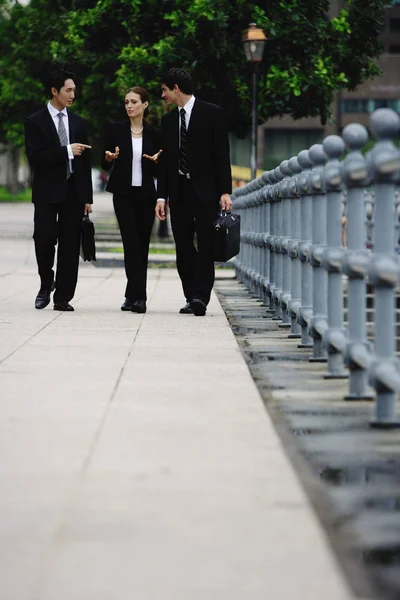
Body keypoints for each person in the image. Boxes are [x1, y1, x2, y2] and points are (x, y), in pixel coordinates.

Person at [155, 68, 232, 316]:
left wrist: (225, 191)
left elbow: (222, 155)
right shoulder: (168, 122)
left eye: (165, 90)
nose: (163, 95)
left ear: (176, 88)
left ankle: (201, 296)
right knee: (184, 246)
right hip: (179, 191)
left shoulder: (212, 114)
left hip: (206, 191)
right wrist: (161, 196)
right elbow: (166, 165)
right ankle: (190, 295)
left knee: (206, 244)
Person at [24, 69, 93, 312]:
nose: (73, 94)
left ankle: (63, 296)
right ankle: (46, 282)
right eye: (68, 90)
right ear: (55, 91)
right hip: (46, 191)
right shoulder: (35, 121)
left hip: (73, 192)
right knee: (43, 238)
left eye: (74, 90)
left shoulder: (78, 122)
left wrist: (87, 198)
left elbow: (85, 163)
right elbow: (35, 157)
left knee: (70, 243)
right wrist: (66, 151)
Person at [102, 87, 162, 313]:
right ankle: (141, 298)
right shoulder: (116, 130)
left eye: (134, 102)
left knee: (142, 245)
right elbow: (104, 162)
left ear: (145, 105)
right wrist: (109, 158)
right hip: (123, 194)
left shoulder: (155, 134)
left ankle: (131, 295)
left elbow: (161, 167)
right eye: (126, 102)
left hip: (146, 195)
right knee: (131, 244)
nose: (129, 106)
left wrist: (158, 161)